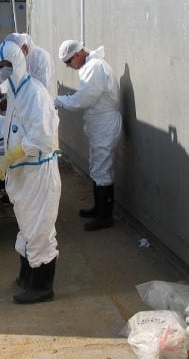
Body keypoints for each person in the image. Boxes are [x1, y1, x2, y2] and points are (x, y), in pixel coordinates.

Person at [0, 40, 61, 304]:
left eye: (8, 65)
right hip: (22, 174)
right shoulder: (14, 90)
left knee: (39, 228)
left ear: (20, 64)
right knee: (26, 227)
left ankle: (42, 287)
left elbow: (43, 138)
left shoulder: (34, 93)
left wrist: (12, 154)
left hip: (37, 173)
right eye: (0, 66)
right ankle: (27, 276)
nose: (4, 71)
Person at [55, 40, 121, 232]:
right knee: (97, 166)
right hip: (99, 124)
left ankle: (105, 216)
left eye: (68, 61)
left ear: (77, 55)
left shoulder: (95, 68)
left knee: (102, 169)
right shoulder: (92, 66)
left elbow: (82, 99)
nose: (68, 66)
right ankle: (98, 209)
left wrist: (57, 101)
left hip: (104, 125)